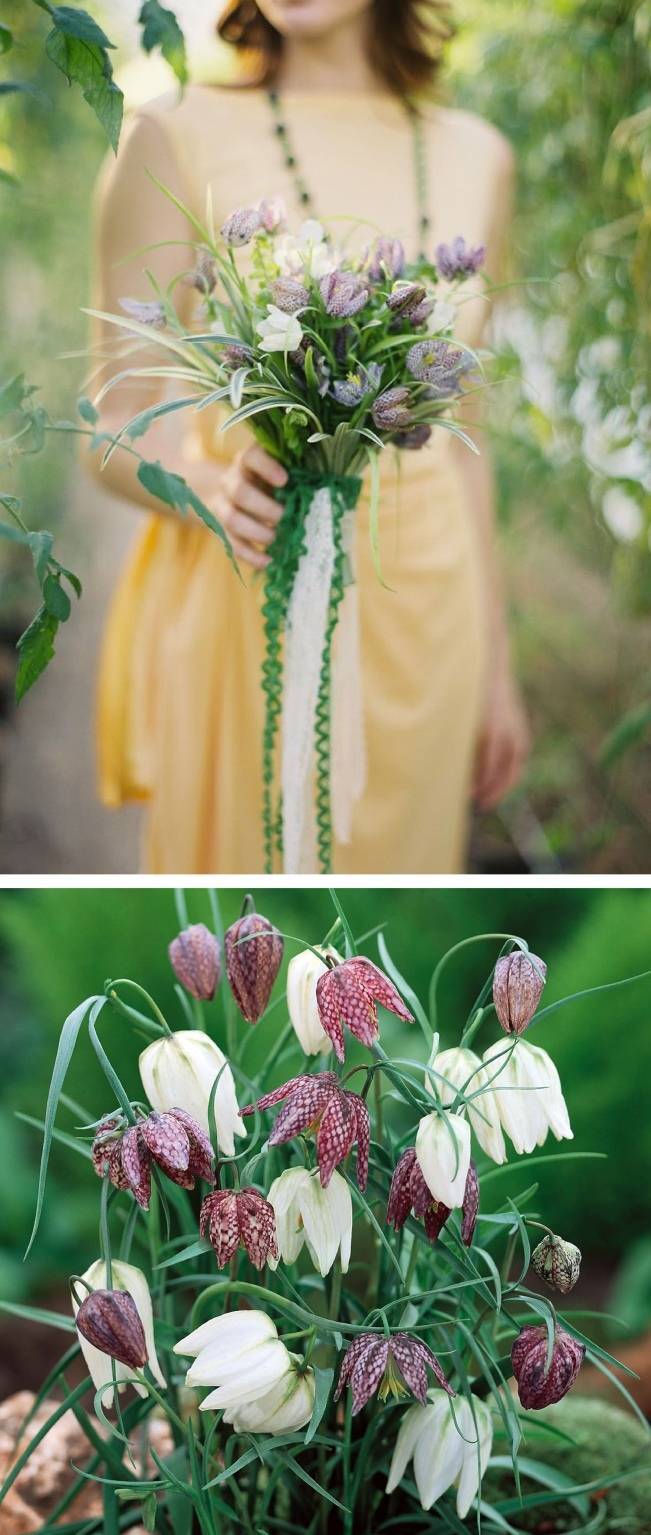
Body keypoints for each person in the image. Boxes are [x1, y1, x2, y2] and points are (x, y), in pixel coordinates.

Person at [91, 0, 530, 873]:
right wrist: (203, 486)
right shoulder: (169, 135)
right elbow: (108, 419)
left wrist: (495, 665)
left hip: (430, 609)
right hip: (252, 590)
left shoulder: (479, 155)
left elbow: (465, 434)